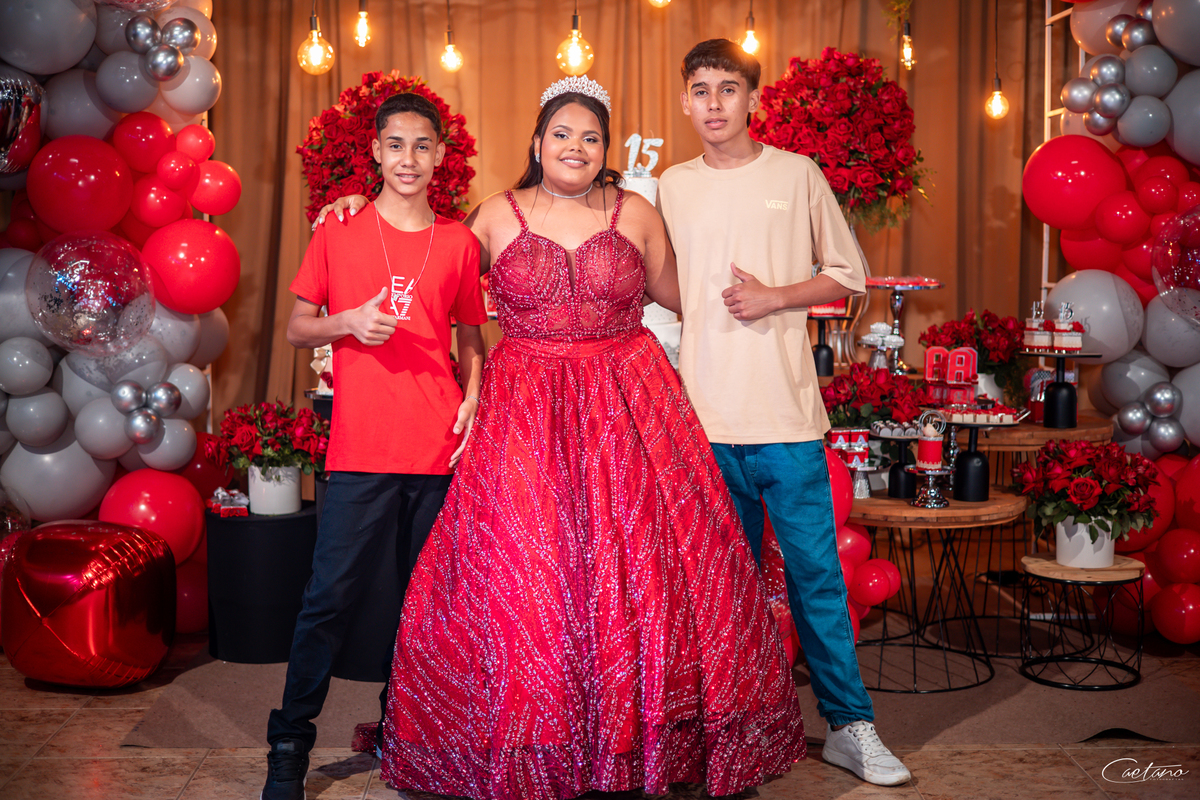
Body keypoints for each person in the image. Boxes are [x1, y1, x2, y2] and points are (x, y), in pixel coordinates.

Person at [317, 76, 805, 800]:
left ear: (605, 149)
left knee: (644, 568)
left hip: (630, 404)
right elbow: (428, 267)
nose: (576, 147)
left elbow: (688, 298)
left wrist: (768, 273)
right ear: (537, 143)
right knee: (529, 568)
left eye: (591, 137)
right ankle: (537, 736)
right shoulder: (493, 215)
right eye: (562, 134)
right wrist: (362, 206)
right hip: (526, 408)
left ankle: (642, 735)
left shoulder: (636, 212)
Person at [656, 39, 912, 787]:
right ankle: (729, 733)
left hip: (788, 424)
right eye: (700, 89)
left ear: (751, 99)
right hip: (703, 425)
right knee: (716, 594)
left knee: (816, 584)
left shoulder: (796, 173)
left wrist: (775, 296)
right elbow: (658, 278)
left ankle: (850, 727)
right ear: (684, 101)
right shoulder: (672, 185)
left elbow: (848, 274)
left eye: (727, 88)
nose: (713, 103)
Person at [261, 92, 488, 800]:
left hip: (437, 451)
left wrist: (475, 396)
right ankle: (290, 743)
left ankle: (405, 731)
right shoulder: (340, 229)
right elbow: (297, 326)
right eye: (395, 145)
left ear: (441, 155)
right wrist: (348, 323)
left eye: (422, 146)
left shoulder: (459, 242)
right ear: (376, 152)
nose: (408, 159)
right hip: (360, 451)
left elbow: (472, 337)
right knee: (328, 599)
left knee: (429, 607)